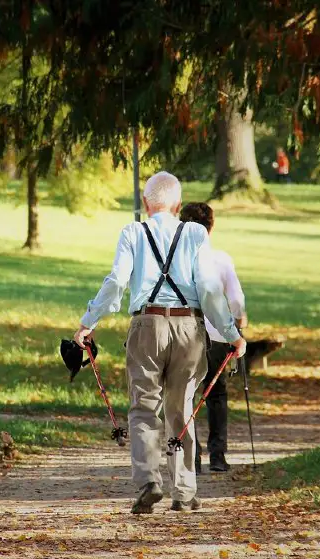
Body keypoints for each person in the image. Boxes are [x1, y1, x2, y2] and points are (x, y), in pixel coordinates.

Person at [73, 171, 246, 514]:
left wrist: (88, 322)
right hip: (188, 326)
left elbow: (117, 282)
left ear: (145, 204)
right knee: (182, 408)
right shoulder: (196, 233)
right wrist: (232, 334)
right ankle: (184, 491)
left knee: (143, 406)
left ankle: (149, 482)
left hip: (146, 324)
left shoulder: (132, 232)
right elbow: (210, 291)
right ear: (178, 205)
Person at [179, 202, 247, 474]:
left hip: (186, 334)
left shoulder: (179, 260)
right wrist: (239, 322)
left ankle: (191, 458)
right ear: (212, 226)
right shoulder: (220, 259)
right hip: (218, 335)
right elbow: (236, 299)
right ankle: (218, 456)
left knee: (187, 394)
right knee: (217, 394)